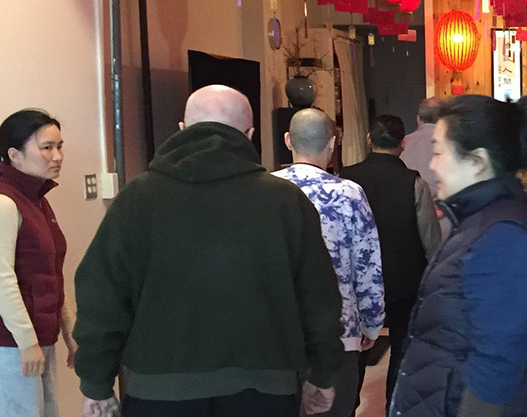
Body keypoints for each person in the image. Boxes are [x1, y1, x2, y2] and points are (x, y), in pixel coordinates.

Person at [74, 85, 345, 417]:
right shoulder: (285, 202)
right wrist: (322, 373)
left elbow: (102, 296)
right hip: (265, 387)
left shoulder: (138, 198)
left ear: (182, 129)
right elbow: (318, 297)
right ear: (250, 134)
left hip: (159, 390)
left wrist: (96, 381)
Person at [391, 94, 527, 417]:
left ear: (478, 161)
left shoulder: (503, 235)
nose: (432, 165)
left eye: (439, 152)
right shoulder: (483, 217)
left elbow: (497, 364)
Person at [273, 109, 386, 417]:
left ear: (287, 141)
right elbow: (368, 264)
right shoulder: (349, 194)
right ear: (333, 144)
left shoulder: (264, 191)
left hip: (277, 335)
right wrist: (372, 323)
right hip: (338, 332)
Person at [338, 114, 441, 410]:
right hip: (404, 280)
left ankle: (348, 407)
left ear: (369, 140)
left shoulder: (346, 178)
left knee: (355, 349)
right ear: (403, 143)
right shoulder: (413, 182)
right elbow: (431, 240)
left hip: (357, 281)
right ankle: (393, 409)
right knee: (401, 348)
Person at [0, 109, 70, 417]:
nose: (57, 156)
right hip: (12, 344)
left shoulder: (38, 200)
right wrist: (27, 342)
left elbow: (51, 273)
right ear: (14, 155)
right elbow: (2, 277)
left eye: (59, 146)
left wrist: (70, 332)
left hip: (40, 340)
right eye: (46, 147)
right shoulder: (5, 201)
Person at [401, 97, 443, 191]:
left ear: (418, 119)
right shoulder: (452, 144)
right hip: (443, 199)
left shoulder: (402, 143)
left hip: (410, 198)